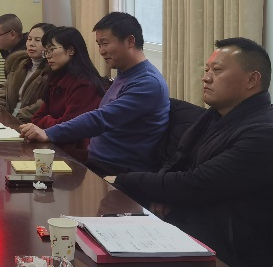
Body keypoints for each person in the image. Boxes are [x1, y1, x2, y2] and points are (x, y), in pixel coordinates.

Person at [108, 38, 273, 267]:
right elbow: (178, 160)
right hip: (188, 230)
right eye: (207, 70)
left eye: (217, 70)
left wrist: (124, 179)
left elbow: (196, 184)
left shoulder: (266, 133)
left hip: (229, 259)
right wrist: (162, 193)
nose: (206, 78)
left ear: (252, 80)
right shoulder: (217, 114)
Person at [20, 12, 169, 176]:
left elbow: (101, 119)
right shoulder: (124, 75)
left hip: (118, 170)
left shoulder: (147, 83)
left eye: (105, 43)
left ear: (130, 41)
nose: (101, 51)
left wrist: (48, 133)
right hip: (96, 161)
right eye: (99, 45)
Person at [20, 27, 107, 158]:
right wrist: (51, 122)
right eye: (46, 51)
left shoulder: (85, 85)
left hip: (75, 154)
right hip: (55, 146)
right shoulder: (56, 79)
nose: (48, 56)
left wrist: (47, 121)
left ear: (71, 50)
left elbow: (70, 127)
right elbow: (36, 119)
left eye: (52, 49)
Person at [0, 23, 55, 122]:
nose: (31, 44)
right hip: (8, 121)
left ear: (50, 45)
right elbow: (4, 90)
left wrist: (16, 118)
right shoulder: (18, 64)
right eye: (29, 39)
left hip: (29, 123)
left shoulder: (52, 71)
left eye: (37, 40)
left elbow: (43, 104)